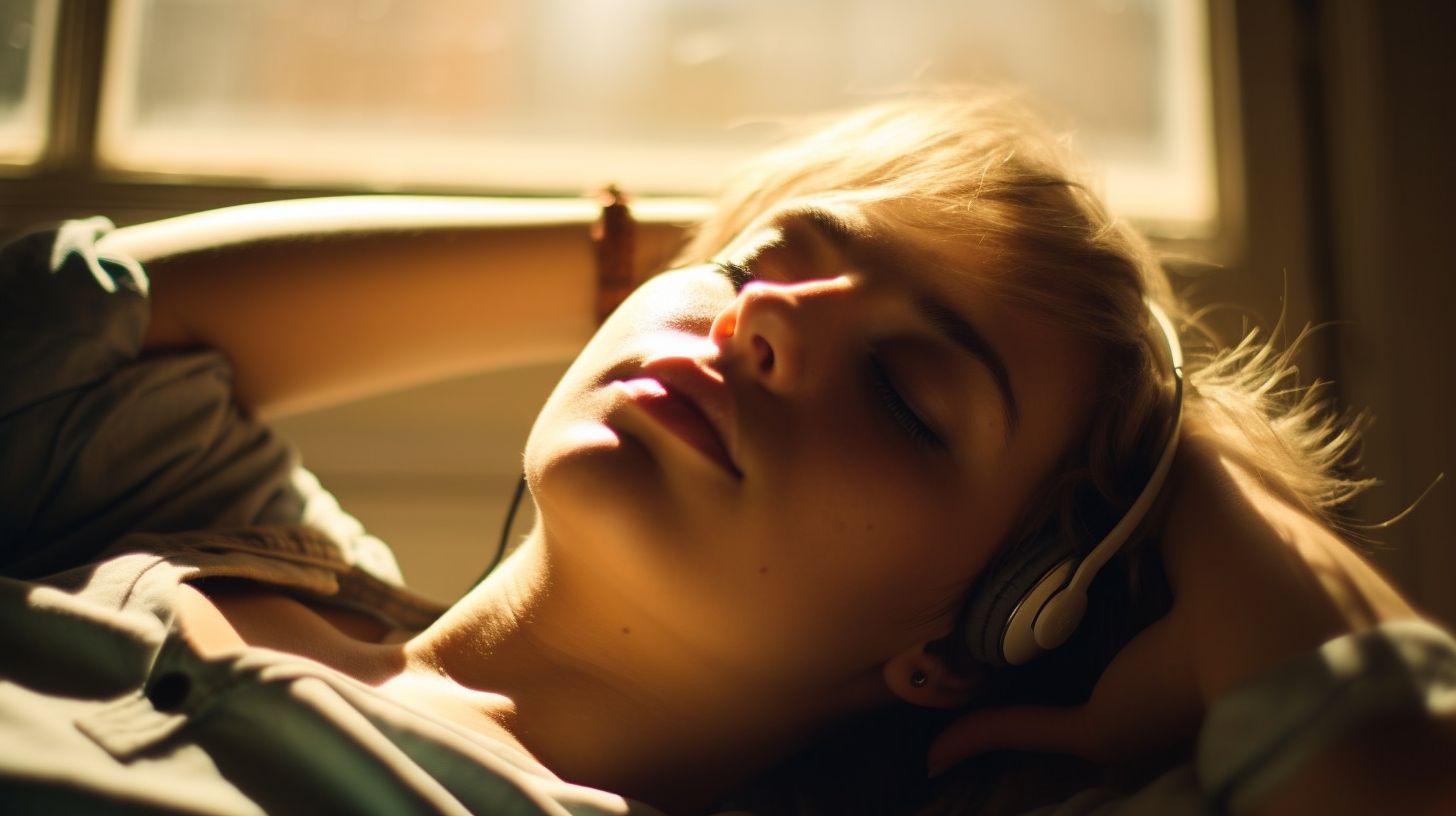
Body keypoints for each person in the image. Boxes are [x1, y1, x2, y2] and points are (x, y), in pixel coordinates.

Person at [2, 92, 1453, 816]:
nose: (764, 322)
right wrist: (746, 231)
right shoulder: (200, 523)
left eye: (906, 389)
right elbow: (67, 320)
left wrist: (1184, 474)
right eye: (765, 262)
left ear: (978, 632)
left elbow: (1393, 771)